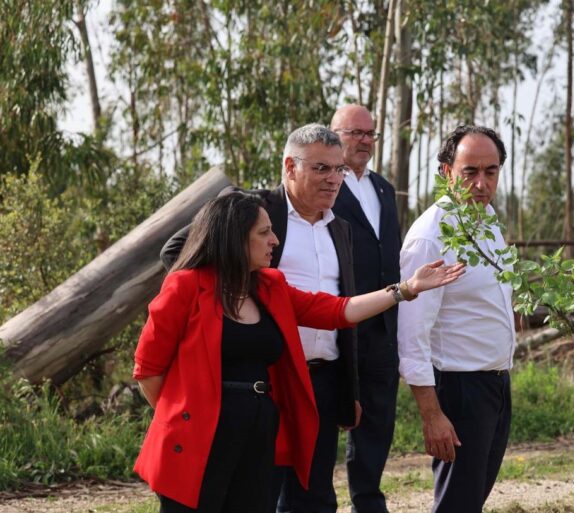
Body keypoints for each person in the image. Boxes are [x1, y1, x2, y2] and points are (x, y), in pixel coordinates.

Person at [134, 190, 465, 513]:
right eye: (264, 233)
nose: (274, 240)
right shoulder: (185, 286)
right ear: (235, 238)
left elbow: (336, 310)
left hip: (259, 433)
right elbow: (148, 371)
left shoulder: (270, 286)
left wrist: (406, 289)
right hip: (198, 439)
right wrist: (186, 416)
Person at [160, 124, 358, 512]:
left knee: (315, 497)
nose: (333, 179)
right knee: (257, 496)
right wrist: (236, 293)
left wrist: (349, 389)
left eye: (339, 170)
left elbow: (340, 307)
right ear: (290, 167)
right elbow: (178, 250)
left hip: (320, 380)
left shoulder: (341, 226)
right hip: (263, 380)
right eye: (321, 168)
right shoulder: (253, 209)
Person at [397, 125, 517, 513]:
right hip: (459, 389)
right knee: (456, 506)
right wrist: (432, 416)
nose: (481, 184)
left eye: (491, 171)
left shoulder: (489, 222)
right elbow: (412, 336)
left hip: (495, 385)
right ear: (447, 172)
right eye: (470, 172)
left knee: (471, 501)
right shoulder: (431, 237)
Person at [330, 104, 401, 513]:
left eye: (370, 133)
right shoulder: (325, 185)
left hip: (380, 326)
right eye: (354, 132)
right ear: (334, 134)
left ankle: (367, 501)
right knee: (324, 418)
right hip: (334, 320)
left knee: (377, 422)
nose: (364, 140)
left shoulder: (383, 189)